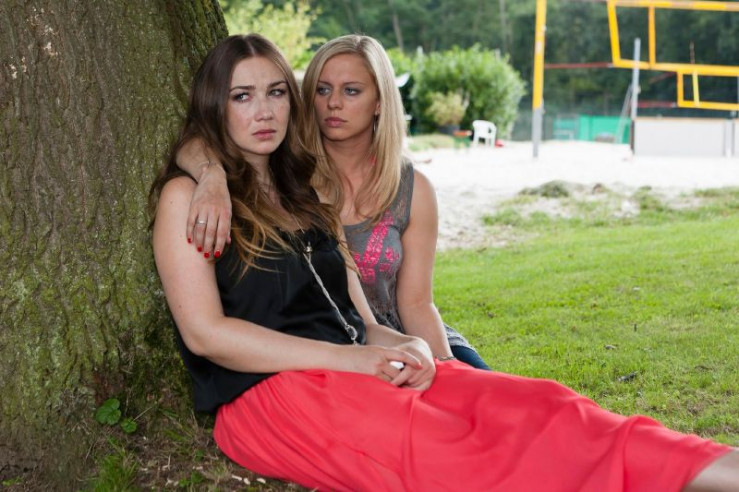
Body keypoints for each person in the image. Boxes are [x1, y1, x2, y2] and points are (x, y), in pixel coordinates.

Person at [150, 33, 739, 491]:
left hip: (357, 367)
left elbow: (363, 320)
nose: (263, 111)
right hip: (273, 398)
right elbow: (205, 334)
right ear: (216, 105)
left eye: (276, 92)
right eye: (242, 96)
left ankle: (718, 469)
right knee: (462, 452)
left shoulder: (306, 190)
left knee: (540, 406)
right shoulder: (188, 197)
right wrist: (209, 174)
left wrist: (406, 345)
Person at [175, 34, 489, 369]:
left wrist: (445, 365)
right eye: (322, 90)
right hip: (334, 349)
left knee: (484, 387)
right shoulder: (293, 174)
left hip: (398, 338)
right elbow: (203, 137)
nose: (333, 103)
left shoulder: (409, 187)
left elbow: (416, 304)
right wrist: (211, 174)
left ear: (380, 101)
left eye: (351, 91)